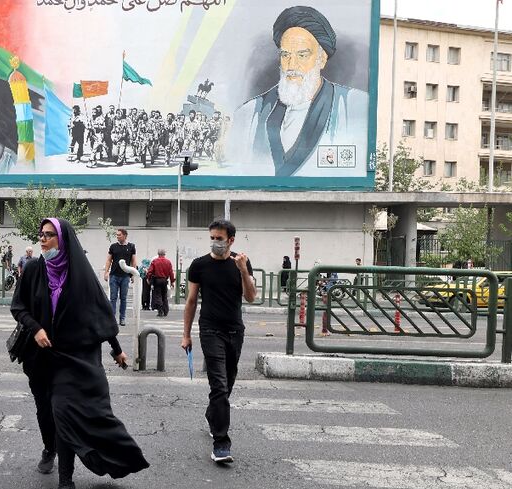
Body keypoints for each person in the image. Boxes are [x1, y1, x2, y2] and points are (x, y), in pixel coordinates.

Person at [11, 218, 149, 489]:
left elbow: (100, 313)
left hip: (73, 358)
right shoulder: (33, 271)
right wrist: (36, 328)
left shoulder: (80, 275)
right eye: (41, 235)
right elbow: (19, 308)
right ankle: (49, 447)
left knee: (63, 411)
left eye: (49, 235)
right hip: (40, 358)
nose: (43, 240)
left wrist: (117, 350)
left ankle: (66, 480)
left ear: (64, 240)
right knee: (44, 411)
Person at [226, 6, 368, 177]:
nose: (292, 66)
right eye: (286, 55)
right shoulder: (249, 114)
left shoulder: (354, 105)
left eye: (302, 55)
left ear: (321, 59)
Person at [181, 219, 255, 464]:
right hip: (210, 329)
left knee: (228, 382)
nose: (215, 242)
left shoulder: (241, 264)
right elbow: (191, 301)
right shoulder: (199, 265)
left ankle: (212, 414)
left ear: (231, 240)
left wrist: (244, 270)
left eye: (219, 239)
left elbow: (251, 297)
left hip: (235, 331)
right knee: (219, 385)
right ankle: (221, 443)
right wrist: (186, 334)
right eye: (212, 237)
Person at [104, 228, 137, 327]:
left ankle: (122, 318)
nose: (117, 236)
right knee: (113, 298)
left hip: (125, 276)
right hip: (114, 275)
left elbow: (133, 261)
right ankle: (112, 318)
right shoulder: (113, 246)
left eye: (119, 235)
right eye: (117, 235)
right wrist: (106, 272)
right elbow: (109, 260)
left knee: (123, 298)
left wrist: (133, 274)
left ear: (125, 235)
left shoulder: (131, 247)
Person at [147, 249, 175, 317]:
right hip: (165, 280)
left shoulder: (155, 261)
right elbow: (171, 272)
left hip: (157, 280)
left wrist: (148, 279)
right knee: (164, 296)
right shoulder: (168, 262)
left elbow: (150, 271)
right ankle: (166, 310)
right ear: (164, 254)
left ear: (158, 254)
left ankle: (160, 310)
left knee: (158, 295)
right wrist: (172, 282)